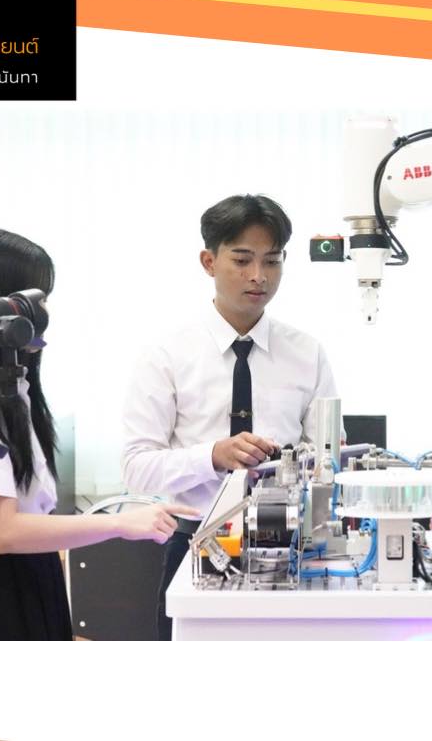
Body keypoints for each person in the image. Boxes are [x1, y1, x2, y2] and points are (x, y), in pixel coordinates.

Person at [0, 229, 197, 640]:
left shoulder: (12, 391)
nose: (44, 312)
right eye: (36, 300)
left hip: (29, 576)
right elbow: (3, 533)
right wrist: (121, 524)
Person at [122, 194, 339, 639]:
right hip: (195, 544)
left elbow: (328, 457)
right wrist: (213, 456)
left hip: (289, 550)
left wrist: (309, 464)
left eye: (272, 261)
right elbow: (136, 467)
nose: (259, 276)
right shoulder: (167, 355)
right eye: (242, 260)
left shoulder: (307, 353)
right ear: (209, 262)